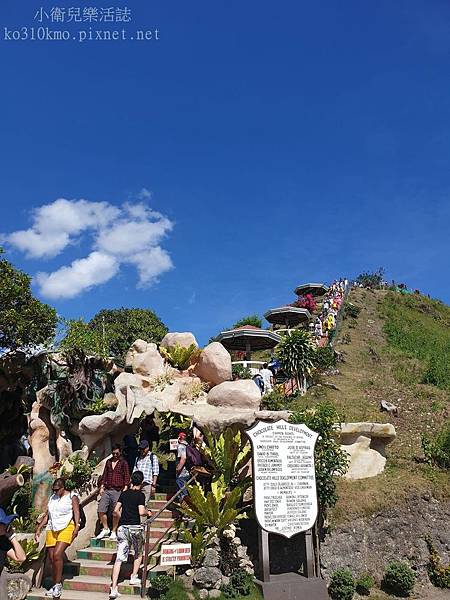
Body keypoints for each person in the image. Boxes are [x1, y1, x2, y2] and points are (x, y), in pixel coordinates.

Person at [35, 478, 81, 599]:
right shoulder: (52, 498)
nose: (55, 492)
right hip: (52, 527)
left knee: (57, 554)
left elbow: (76, 512)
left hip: (66, 526)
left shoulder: (72, 496)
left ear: (63, 487)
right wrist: (39, 528)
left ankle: (57, 585)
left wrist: (77, 527)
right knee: (51, 558)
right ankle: (55, 583)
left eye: (57, 490)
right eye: (53, 490)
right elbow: (48, 515)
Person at [109, 471, 152, 599]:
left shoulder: (124, 494)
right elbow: (141, 512)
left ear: (131, 480)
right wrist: (148, 513)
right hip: (135, 528)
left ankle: (114, 588)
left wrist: (122, 518)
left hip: (123, 528)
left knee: (119, 558)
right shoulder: (140, 495)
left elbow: (115, 510)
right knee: (138, 552)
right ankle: (134, 576)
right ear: (142, 481)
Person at [96, 443, 130, 541]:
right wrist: (102, 487)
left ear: (120, 452)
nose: (115, 455)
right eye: (113, 453)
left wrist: (125, 488)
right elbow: (105, 475)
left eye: (117, 453)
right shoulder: (108, 462)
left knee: (116, 511)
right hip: (107, 488)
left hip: (118, 489)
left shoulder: (123, 462)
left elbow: (126, 476)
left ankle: (114, 531)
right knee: (101, 509)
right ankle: (106, 528)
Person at [0, 508, 26, 578]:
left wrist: (12, 537)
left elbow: (21, 558)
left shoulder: (2, 542)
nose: (5, 526)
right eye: (2, 524)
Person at [133, 440, 159, 505]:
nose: (142, 451)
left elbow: (155, 472)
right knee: (135, 503)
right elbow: (135, 470)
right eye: (140, 449)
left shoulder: (153, 457)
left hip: (146, 484)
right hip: (137, 485)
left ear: (147, 448)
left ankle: (142, 515)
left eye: (143, 449)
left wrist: (153, 485)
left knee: (143, 504)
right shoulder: (138, 458)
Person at [175, 432, 190, 501]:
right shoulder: (187, 445)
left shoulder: (181, 446)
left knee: (181, 485)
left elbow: (183, 458)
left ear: (179, 438)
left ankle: (184, 501)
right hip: (188, 470)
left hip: (182, 472)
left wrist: (178, 469)